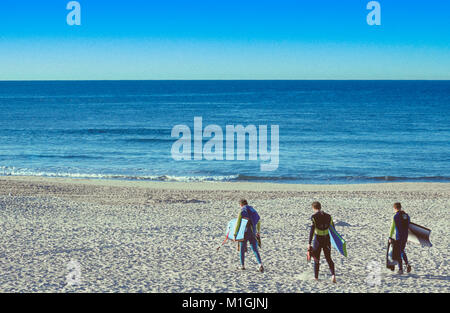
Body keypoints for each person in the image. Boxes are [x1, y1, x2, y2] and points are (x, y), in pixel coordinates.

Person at [308, 201, 336, 283]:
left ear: (313, 208)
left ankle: (316, 277)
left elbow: (312, 230)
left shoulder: (314, 217)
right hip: (327, 239)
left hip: (318, 240)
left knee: (316, 259)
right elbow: (333, 229)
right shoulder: (328, 216)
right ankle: (333, 275)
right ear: (320, 207)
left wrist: (309, 243)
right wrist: (333, 241)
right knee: (328, 258)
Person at [233, 199, 264, 273]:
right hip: (253, 232)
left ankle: (242, 266)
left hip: (244, 233)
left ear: (240, 205)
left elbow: (238, 223)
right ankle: (260, 264)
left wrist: (235, 234)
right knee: (255, 249)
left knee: (242, 249)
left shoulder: (242, 211)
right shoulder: (253, 210)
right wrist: (258, 231)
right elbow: (258, 221)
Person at [389, 202, 412, 274]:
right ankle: (407, 264)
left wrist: (390, 236)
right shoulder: (406, 216)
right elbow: (409, 226)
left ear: (395, 208)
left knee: (398, 252)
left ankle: (400, 269)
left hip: (399, 236)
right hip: (405, 236)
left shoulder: (395, 216)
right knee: (402, 250)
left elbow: (392, 227)